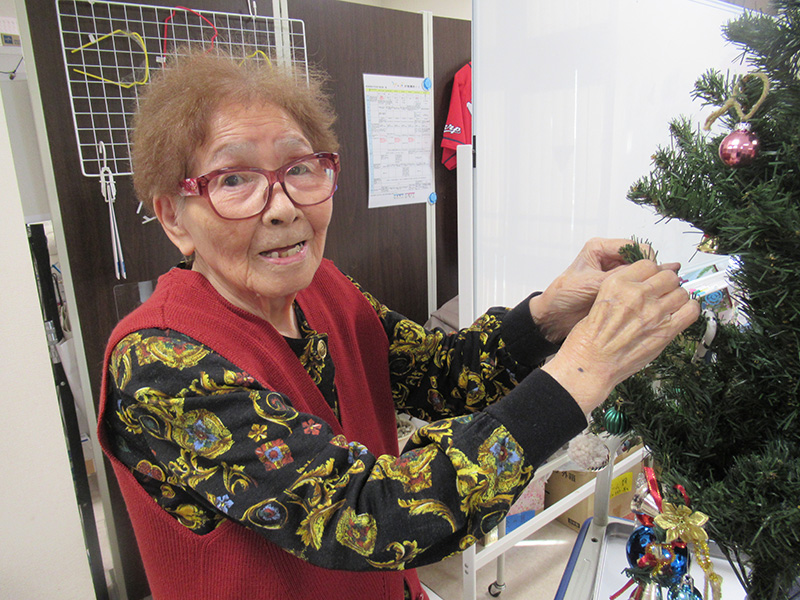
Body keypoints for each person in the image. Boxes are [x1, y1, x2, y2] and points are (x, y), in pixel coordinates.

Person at [98, 49, 699, 600]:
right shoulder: (158, 362)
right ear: (173, 217)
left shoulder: (326, 287)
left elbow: (438, 376)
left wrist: (549, 314)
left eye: (300, 168)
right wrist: (583, 369)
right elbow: (372, 516)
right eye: (234, 179)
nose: (281, 207)